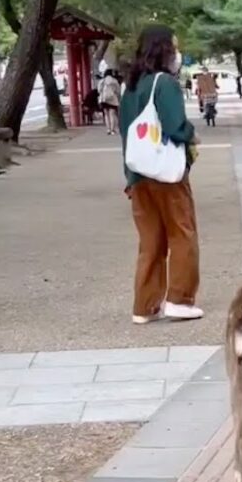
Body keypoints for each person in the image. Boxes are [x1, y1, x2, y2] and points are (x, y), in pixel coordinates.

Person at [118, 24, 203, 324]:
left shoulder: (130, 86)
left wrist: (128, 177)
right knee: (182, 233)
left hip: (138, 175)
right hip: (167, 175)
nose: (178, 53)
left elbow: (127, 136)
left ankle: (145, 305)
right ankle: (180, 299)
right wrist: (192, 137)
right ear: (164, 49)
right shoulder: (164, 83)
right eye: (174, 46)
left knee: (150, 242)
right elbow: (175, 125)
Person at [98, 70, 122, 135]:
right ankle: (112, 130)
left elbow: (99, 90)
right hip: (112, 99)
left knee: (106, 114)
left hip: (104, 99)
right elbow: (118, 91)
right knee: (112, 114)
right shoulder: (114, 81)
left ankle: (108, 129)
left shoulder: (102, 81)